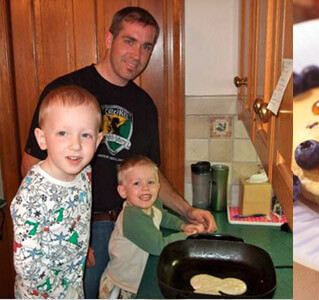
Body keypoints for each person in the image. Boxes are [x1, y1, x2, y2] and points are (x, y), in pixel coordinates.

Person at [20, 6, 217, 298]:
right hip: (87, 229)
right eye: (129, 41)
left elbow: (151, 174)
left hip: (132, 224)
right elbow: (31, 166)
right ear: (109, 39)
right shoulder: (67, 90)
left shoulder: (145, 106)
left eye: (146, 46)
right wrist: (70, 236)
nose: (137, 55)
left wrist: (187, 211)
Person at [11, 86, 104, 298]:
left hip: (73, 282)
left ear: (98, 141)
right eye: (63, 133)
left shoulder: (85, 173)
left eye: (86, 135)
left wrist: (82, 246)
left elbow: (77, 217)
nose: (75, 145)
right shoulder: (32, 195)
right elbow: (27, 266)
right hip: (41, 294)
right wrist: (65, 294)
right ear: (42, 139)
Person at [98, 156, 204, 298]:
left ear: (158, 186)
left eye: (150, 182)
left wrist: (183, 225)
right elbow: (159, 246)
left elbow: (163, 216)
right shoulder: (132, 216)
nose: (145, 188)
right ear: (123, 191)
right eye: (136, 183)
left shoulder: (152, 204)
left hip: (135, 281)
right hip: (121, 286)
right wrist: (187, 236)